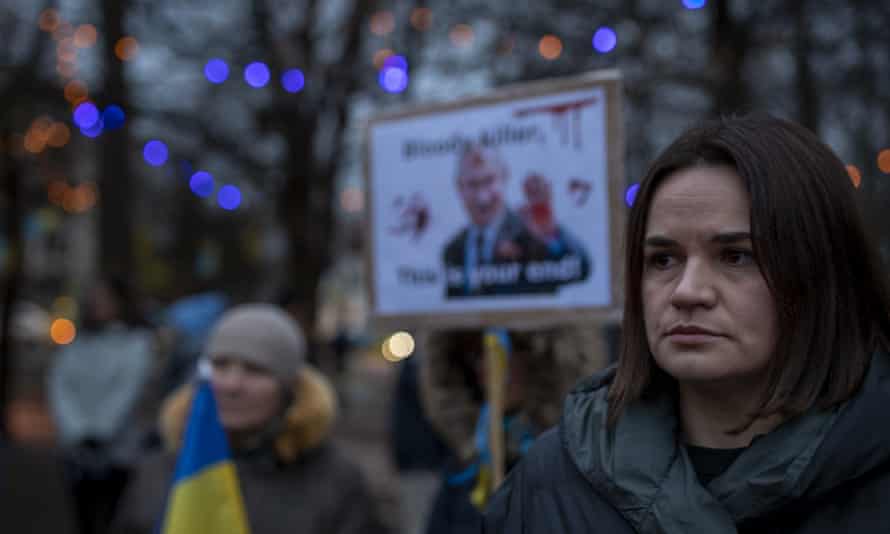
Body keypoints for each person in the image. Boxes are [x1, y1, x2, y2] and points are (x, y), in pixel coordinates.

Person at [483, 114, 890, 533]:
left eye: (735, 256)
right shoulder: (550, 484)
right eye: (663, 260)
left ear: (821, 271)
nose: (687, 291)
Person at [110, 303, 387, 534]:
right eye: (220, 365)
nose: (232, 384)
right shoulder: (158, 472)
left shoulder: (336, 483)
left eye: (255, 370)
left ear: (288, 389)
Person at [421, 326, 606, 534]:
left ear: (538, 360)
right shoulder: (465, 471)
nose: (489, 367)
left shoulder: (577, 466)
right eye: (477, 354)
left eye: (508, 350)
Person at [48, 276, 162, 534]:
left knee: (117, 518)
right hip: (77, 451)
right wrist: (77, 430)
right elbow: (60, 385)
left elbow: (128, 389)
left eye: (104, 299)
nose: (97, 304)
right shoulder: (76, 343)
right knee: (83, 517)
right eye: (94, 298)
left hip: (119, 452)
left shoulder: (138, 343)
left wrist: (100, 430)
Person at [442, 144, 590, 298]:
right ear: (459, 187)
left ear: (504, 177)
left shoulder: (529, 232)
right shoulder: (452, 250)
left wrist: (551, 235)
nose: (482, 196)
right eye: (473, 184)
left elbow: (580, 268)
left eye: (489, 181)